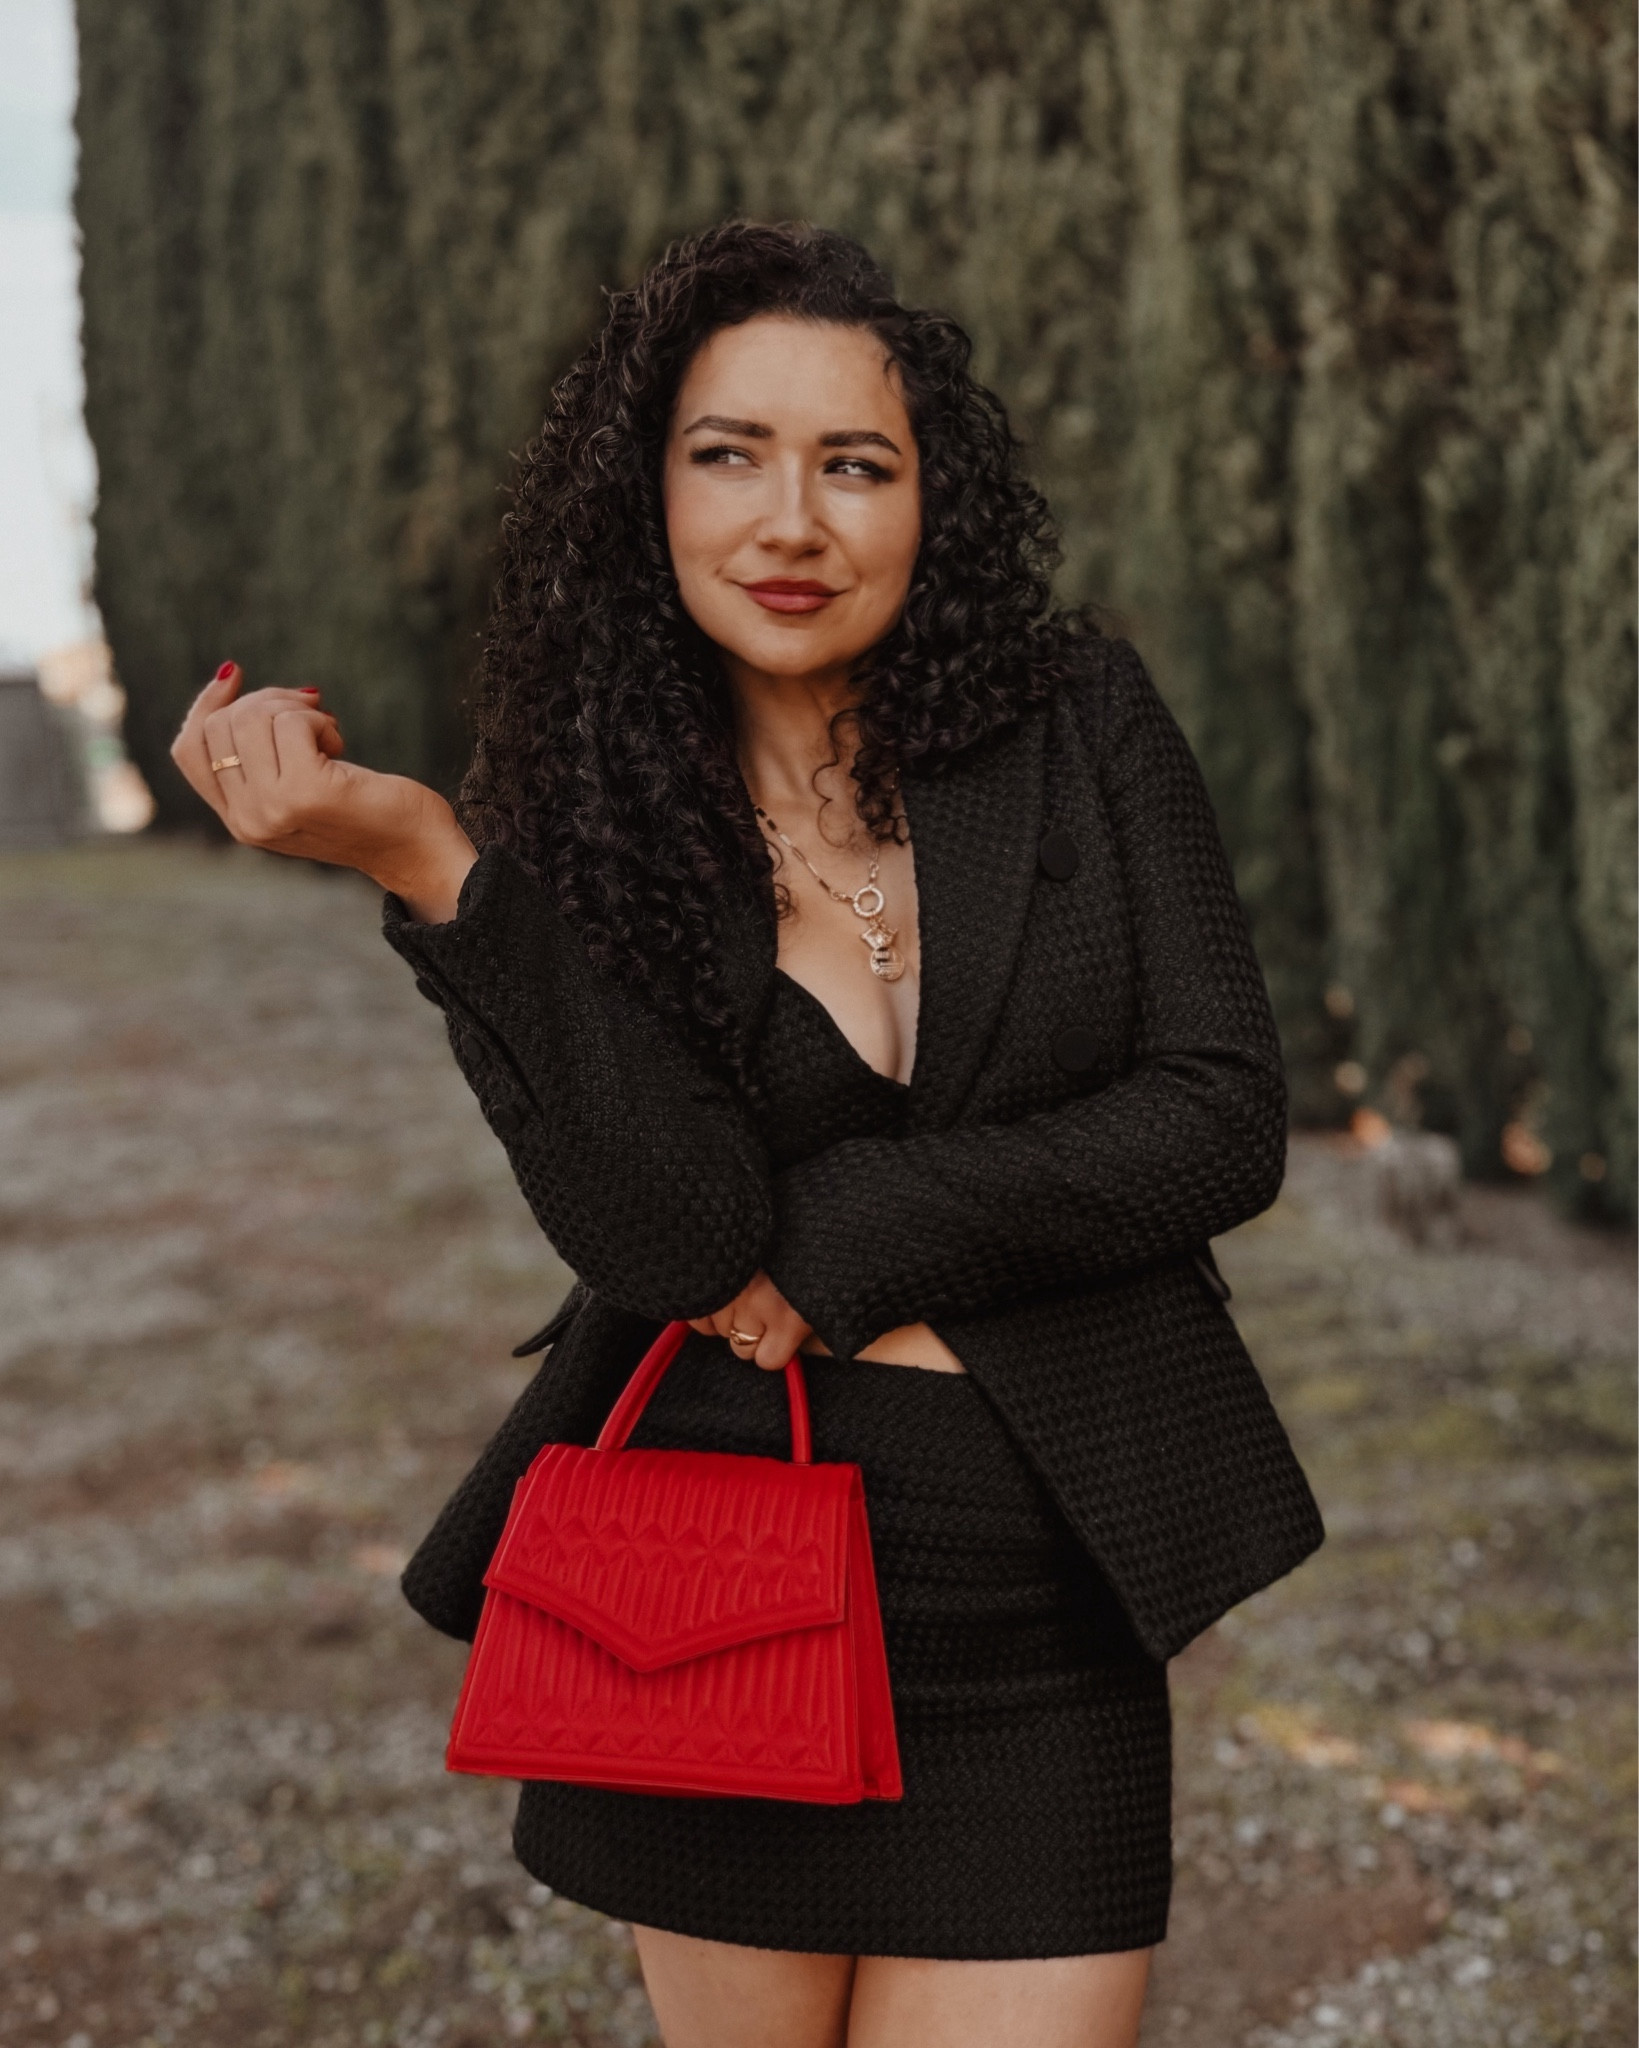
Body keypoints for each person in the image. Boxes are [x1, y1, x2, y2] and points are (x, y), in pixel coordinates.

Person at [171, 219, 1324, 2048]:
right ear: (652, 492)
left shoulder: (1077, 721)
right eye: (731, 455)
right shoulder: (584, 814)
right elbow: (680, 1237)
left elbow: (1219, 1118)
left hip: (1041, 1609)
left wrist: (858, 1224)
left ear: (931, 503)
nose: (792, 520)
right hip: (710, 1605)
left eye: (854, 464)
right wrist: (436, 870)